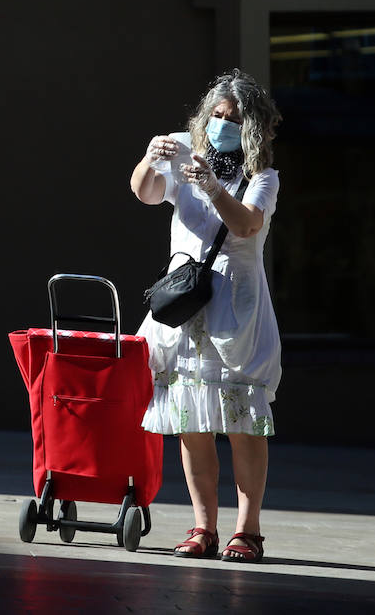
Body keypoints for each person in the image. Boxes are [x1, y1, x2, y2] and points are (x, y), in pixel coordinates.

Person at [129, 69, 283, 564]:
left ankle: (248, 529)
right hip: (185, 310)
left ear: (252, 127)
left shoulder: (262, 177)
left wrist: (214, 186)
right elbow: (145, 193)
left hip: (235, 310)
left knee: (242, 422)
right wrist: (150, 159)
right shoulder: (186, 151)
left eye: (233, 119)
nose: (221, 125)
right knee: (191, 420)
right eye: (216, 116)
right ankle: (203, 526)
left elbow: (247, 224)